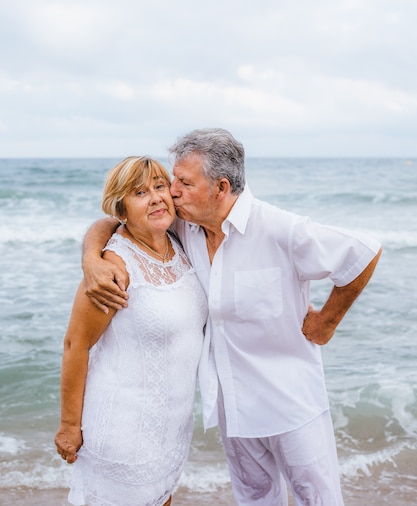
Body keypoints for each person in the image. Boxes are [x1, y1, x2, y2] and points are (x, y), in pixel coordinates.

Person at [81, 130, 382, 506]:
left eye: (185, 183)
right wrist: (92, 258)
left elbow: (363, 253)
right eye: (174, 180)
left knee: (318, 500)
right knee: (255, 499)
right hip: (232, 406)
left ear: (220, 188)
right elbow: (117, 221)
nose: (172, 191)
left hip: (291, 402)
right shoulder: (184, 226)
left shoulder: (279, 228)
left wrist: (327, 322)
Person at [55, 156, 207, 506]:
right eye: (140, 192)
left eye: (159, 186)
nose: (155, 197)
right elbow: (75, 345)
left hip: (169, 429)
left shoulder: (178, 241)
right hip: (123, 432)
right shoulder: (113, 268)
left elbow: (102, 223)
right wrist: (68, 426)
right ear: (122, 209)